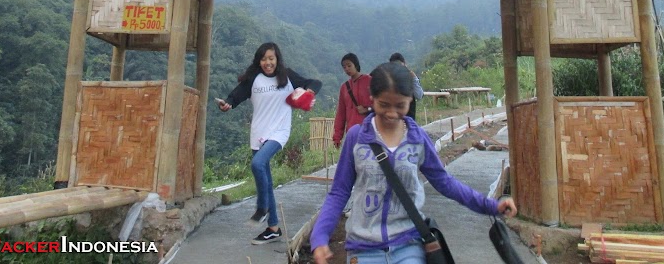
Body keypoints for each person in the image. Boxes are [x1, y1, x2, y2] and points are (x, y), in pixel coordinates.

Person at [310, 61, 516, 264]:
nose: (391, 113)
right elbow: (339, 192)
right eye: (383, 104)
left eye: (400, 106)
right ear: (372, 98)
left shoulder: (417, 139)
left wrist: (490, 205)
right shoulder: (357, 138)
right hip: (363, 249)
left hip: (408, 244)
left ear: (410, 100)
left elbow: (444, 182)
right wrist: (319, 238)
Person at [217, 42, 322, 245]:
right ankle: (273, 228)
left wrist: (308, 92)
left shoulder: (287, 76)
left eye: (271, 58)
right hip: (259, 133)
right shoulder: (253, 78)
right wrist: (228, 103)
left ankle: (262, 208)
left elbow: (314, 82)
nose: (268, 62)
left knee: (257, 164)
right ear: (259, 60)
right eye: (264, 59)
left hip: (279, 132)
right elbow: (236, 94)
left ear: (277, 59)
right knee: (266, 180)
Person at [332, 53, 373, 148]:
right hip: (351, 133)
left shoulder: (369, 81)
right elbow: (341, 113)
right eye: (344, 67)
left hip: (368, 131)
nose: (347, 69)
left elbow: (380, 104)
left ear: (356, 64)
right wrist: (337, 136)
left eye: (349, 65)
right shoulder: (344, 87)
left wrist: (368, 109)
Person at [389, 52, 424, 120]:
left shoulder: (410, 77)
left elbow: (419, 95)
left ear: (405, 64)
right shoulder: (387, 79)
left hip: (409, 122)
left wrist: (414, 78)